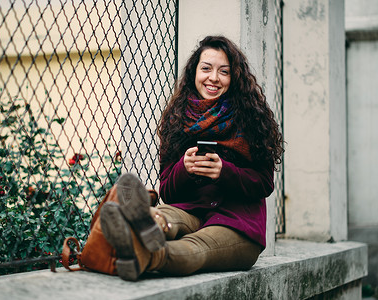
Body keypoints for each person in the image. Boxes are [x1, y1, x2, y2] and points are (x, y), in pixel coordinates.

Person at [100, 35, 284, 281]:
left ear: (235, 77)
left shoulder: (252, 119)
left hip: (236, 223)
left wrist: (224, 172)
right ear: (194, 73)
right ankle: (140, 221)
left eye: (224, 72)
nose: (213, 78)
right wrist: (184, 169)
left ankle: (144, 253)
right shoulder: (177, 120)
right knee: (164, 217)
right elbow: (168, 190)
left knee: (197, 247)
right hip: (189, 211)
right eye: (206, 68)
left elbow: (264, 183)